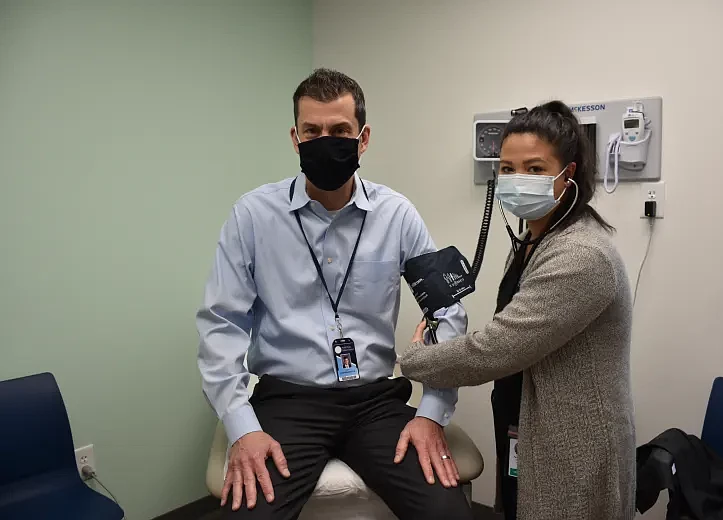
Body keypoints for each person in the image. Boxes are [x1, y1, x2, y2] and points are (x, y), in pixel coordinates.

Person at [196, 68, 473, 520]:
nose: (326, 140)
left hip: (375, 402)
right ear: (295, 137)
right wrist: (242, 428)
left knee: (449, 513)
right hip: (288, 401)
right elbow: (221, 323)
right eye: (313, 130)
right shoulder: (253, 216)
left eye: (340, 130)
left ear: (363, 139)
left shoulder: (397, 214)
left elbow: (447, 310)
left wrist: (432, 411)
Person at [399, 101, 636, 520]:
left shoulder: (581, 255)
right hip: (526, 421)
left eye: (535, 168)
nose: (517, 179)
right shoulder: (535, 240)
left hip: (572, 445)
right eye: (507, 169)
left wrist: (415, 361)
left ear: (569, 175)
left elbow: (497, 348)